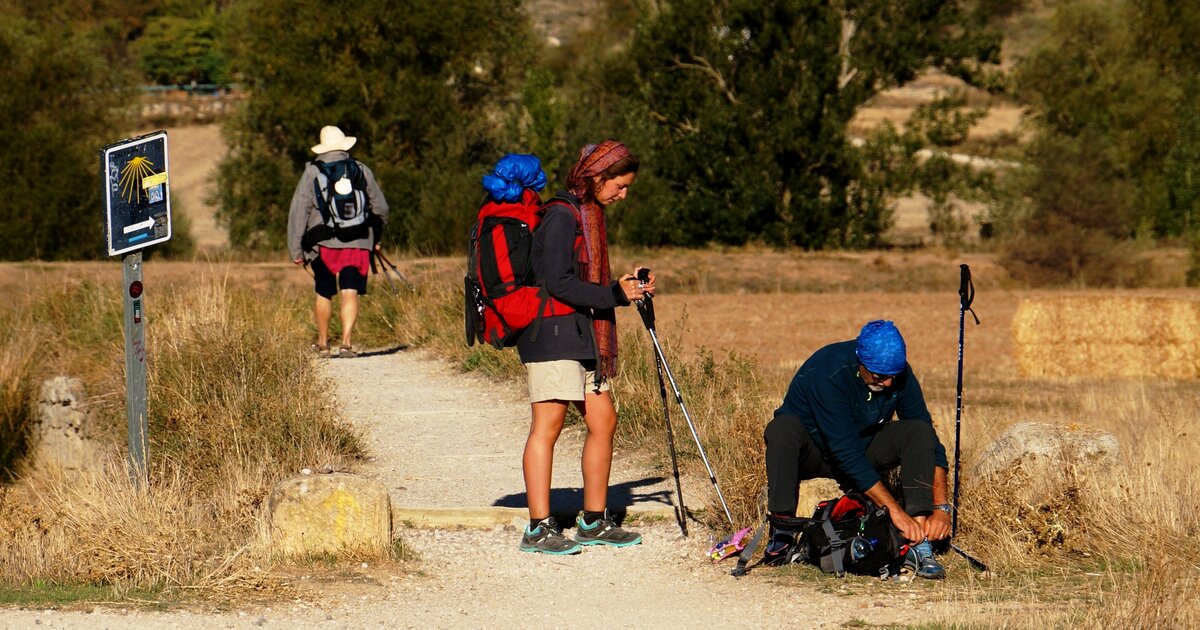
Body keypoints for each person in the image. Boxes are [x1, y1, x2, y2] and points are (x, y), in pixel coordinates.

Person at [516, 140, 655, 555]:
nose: (623, 194)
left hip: (582, 335)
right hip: (553, 333)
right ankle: (538, 528)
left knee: (603, 422)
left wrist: (622, 288)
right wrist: (614, 294)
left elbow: (581, 279)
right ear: (598, 176)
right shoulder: (561, 215)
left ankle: (593, 520)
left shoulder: (589, 214)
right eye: (620, 185)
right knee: (548, 427)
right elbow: (557, 283)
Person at [763, 320, 952, 578]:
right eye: (878, 376)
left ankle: (918, 541)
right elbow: (844, 452)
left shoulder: (898, 375)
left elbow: (931, 443)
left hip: (863, 448)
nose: (886, 383)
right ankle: (782, 532)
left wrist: (941, 509)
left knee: (919, 432)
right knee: (781, 429)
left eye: (892, 377)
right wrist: (894, 512)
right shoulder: (827, 371)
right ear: (860, 361)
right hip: (817, 452)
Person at [287, 125, 389, 358]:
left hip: (323, 244)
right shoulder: (361, 169)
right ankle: (346, 343)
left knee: (324, 292)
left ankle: (323, 344)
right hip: (359, 242)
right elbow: (381, 208)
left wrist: (296, 248)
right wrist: (375, 236)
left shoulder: (312, 172)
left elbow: (299, 211)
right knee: (349, 290)